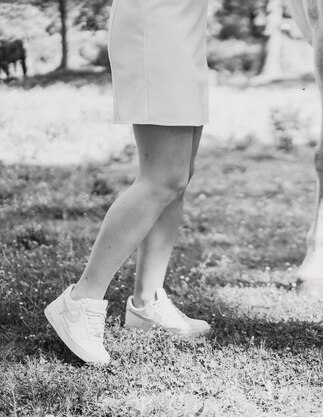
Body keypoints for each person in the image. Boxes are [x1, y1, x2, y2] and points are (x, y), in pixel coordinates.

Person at [44, 0, 211, 364]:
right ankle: (79, 302)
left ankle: (146, 303)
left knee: (178, 177)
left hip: (185, 26)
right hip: (158, 25)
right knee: (161, 178)